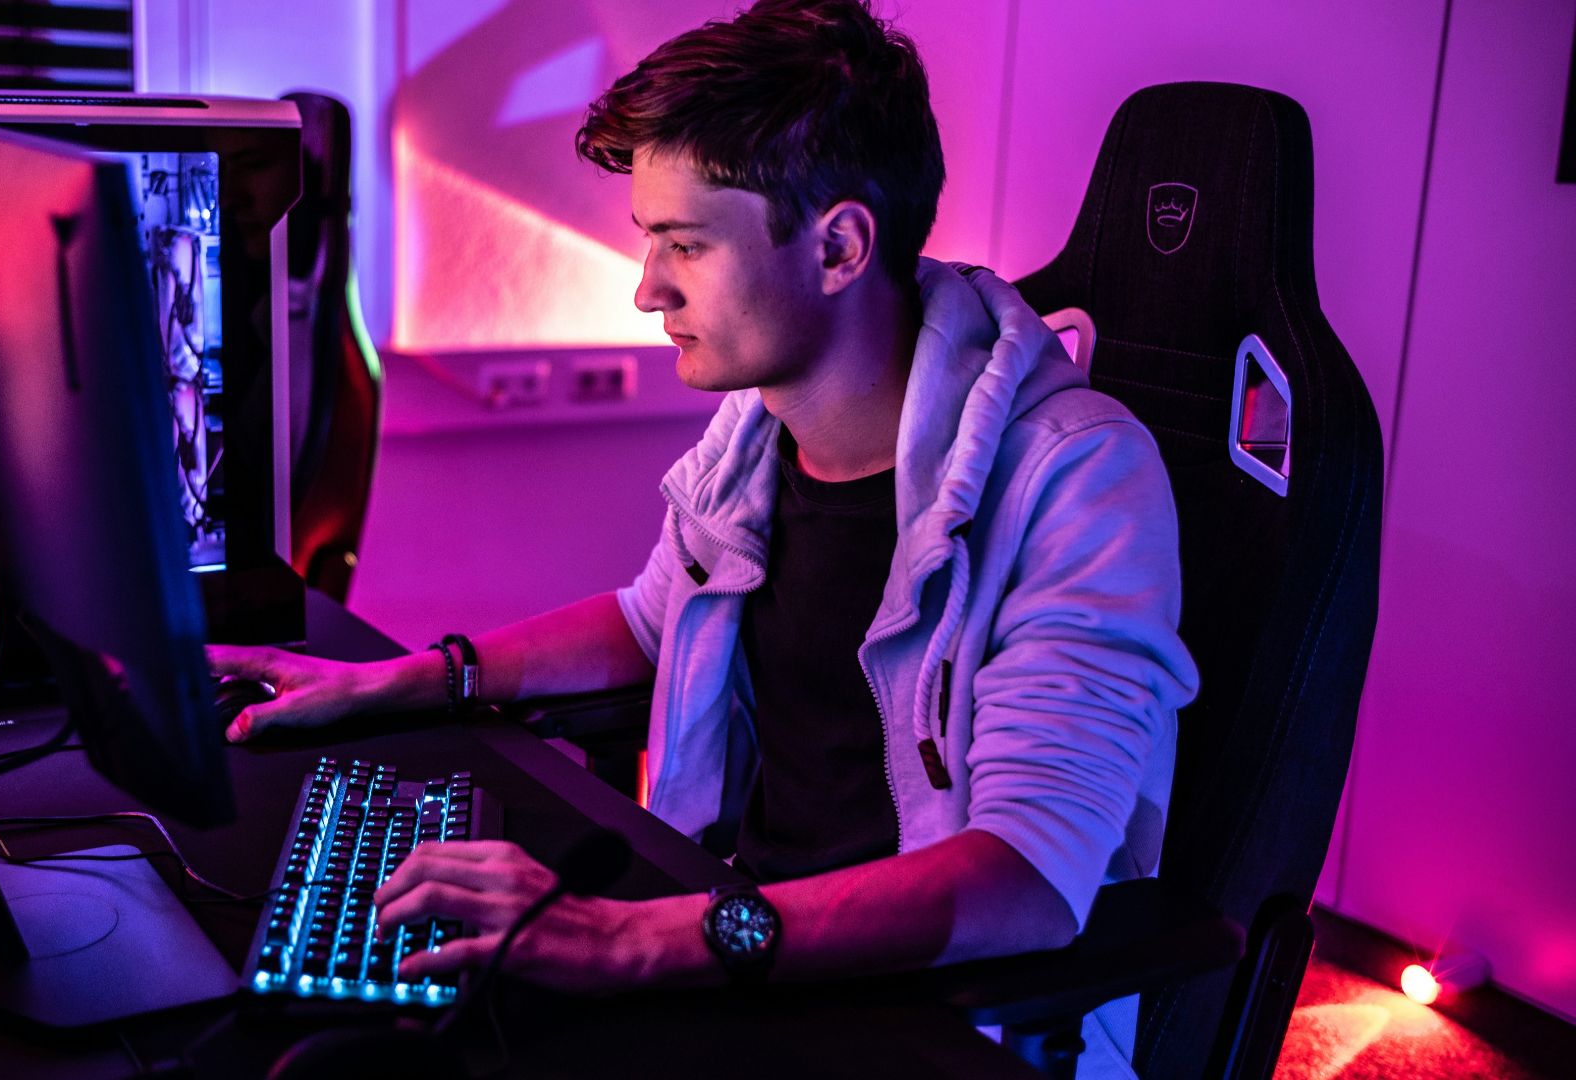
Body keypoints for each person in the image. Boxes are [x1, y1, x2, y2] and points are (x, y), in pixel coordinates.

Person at [209, 1, 1198, 1074]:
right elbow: (653, 620)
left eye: (684, 244)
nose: (647, 290)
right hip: (743, 937)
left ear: (838, 247)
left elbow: (1024, 879)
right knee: (324, 1039)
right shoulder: (767, 419)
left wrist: (624, 938)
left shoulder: (1077, 477)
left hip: (922, 1014)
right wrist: (397, 682)